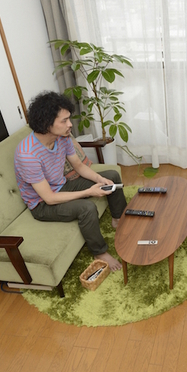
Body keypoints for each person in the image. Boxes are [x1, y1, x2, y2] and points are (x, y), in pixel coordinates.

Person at [14, 91, 126, 270]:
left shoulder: (62, 137)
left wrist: (100, 179)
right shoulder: (27, 155)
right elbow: (49, 198)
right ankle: (99, 251)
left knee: (111, 176)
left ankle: (118, 219)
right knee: (87, 208)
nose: (70, 125)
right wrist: (89, 192)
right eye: (64, 121)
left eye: (69, 119)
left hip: (62, 186)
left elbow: (79, 166)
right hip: (42, 204)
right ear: (46, 123)